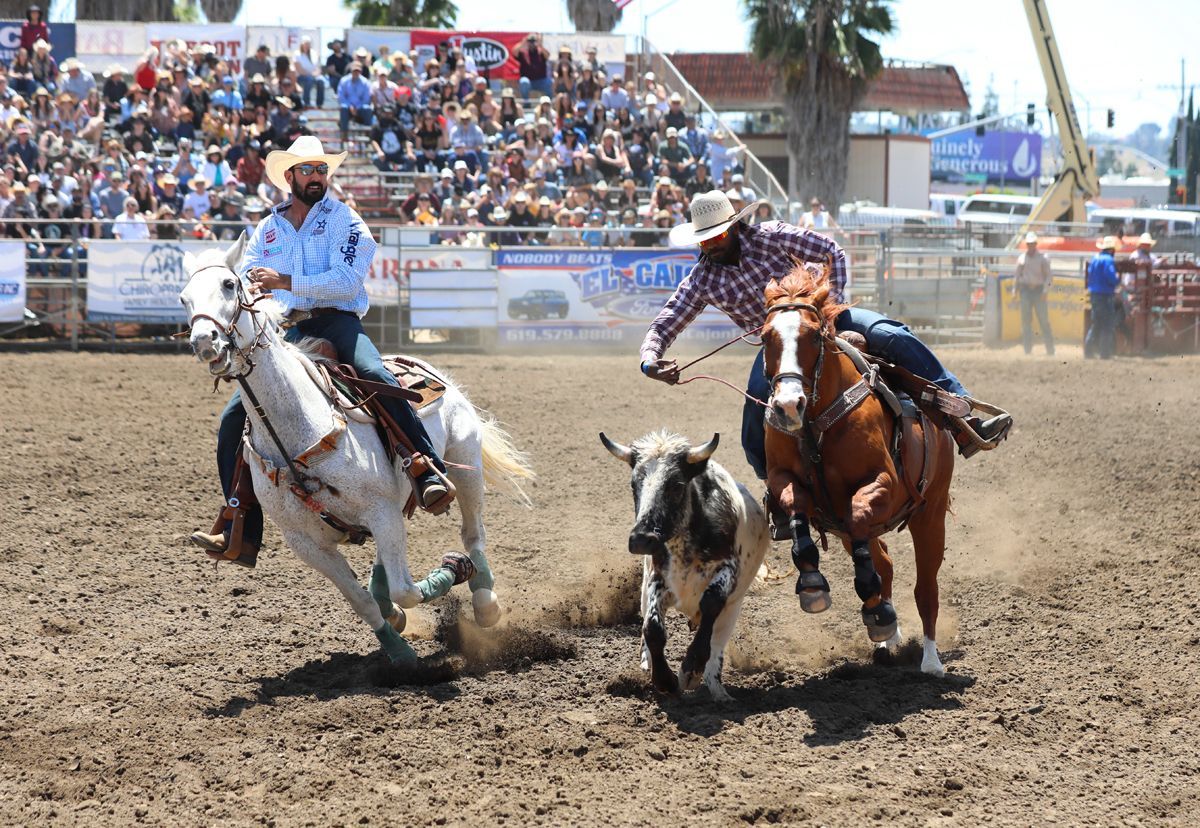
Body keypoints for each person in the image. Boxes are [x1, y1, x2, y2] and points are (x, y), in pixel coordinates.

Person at [639, 191, 1012, 538]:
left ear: (735, 228)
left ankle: (963, 419)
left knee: (893, 337)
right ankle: (779, 493)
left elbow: (830, 250)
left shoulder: (772, 236)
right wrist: (650, 360)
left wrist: (834, 310)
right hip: (777, 345)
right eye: (703, 240)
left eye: (716, 237)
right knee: (755, 416)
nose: (709, 246)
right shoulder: (703, 277)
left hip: (823, 319)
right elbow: (666, 322)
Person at [189, 136, 455, 568]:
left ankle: (422, 465)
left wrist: (283, 282)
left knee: (375, 373)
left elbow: (346, 282)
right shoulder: (268, 228)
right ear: (289, 176)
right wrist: (258, 288)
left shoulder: (346, 222)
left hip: (336, 320)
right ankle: (240, 521)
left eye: (321, 170)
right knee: (233, 418)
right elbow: (247, 276)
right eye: (308, 170)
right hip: (285, 330)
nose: (316, 177)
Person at [1011, 231, 1054, 356]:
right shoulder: (1022, 258)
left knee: (1044, 321)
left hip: (1039, 290)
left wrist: (1046, 290)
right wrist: (1015, 290)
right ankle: (1027, 350)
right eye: (1028, 244)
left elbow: (1049, 277)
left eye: (1032, 243)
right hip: (1025, 290)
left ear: (1035, 244)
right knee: (1026, 321)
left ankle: (1050, 350)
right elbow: (1017, 276)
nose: (1030, 246)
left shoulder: (1043, 259)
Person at [1084, 235, 1120, 360]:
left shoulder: (1095, 259)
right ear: (1111, 250)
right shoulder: (1108, 260)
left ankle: (1088, 351)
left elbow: (1090, 274)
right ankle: (1105, 353)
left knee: (1096, 324)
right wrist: (1117, 280)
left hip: (1094, 294)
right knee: (1107, 324)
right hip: (1105, 295)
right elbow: (1110, 275)